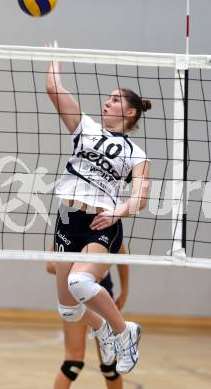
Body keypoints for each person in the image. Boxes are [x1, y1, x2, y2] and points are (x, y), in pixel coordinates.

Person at [46, 49, 150, 375]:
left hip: (101, 222)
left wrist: (120, 212)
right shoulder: (85, 128)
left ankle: (124, 331)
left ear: (130, 112)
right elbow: (53, 88)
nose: (107, 102)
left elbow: (141, 197)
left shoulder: (136, 153)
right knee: (68, 310)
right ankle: (104, 329)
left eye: (116, 99)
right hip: (67, 219)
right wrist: (53, 58)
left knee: (80, 280)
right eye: (108, 98)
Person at [46, 244, 129, 388]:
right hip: (73, 295)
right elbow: (49, 265)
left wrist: (124, 290)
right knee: (73, 363)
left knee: (110, 366)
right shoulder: (65, 225)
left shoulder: (106, 223)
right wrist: (79, 272)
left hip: (100, 294)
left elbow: (121, 254)